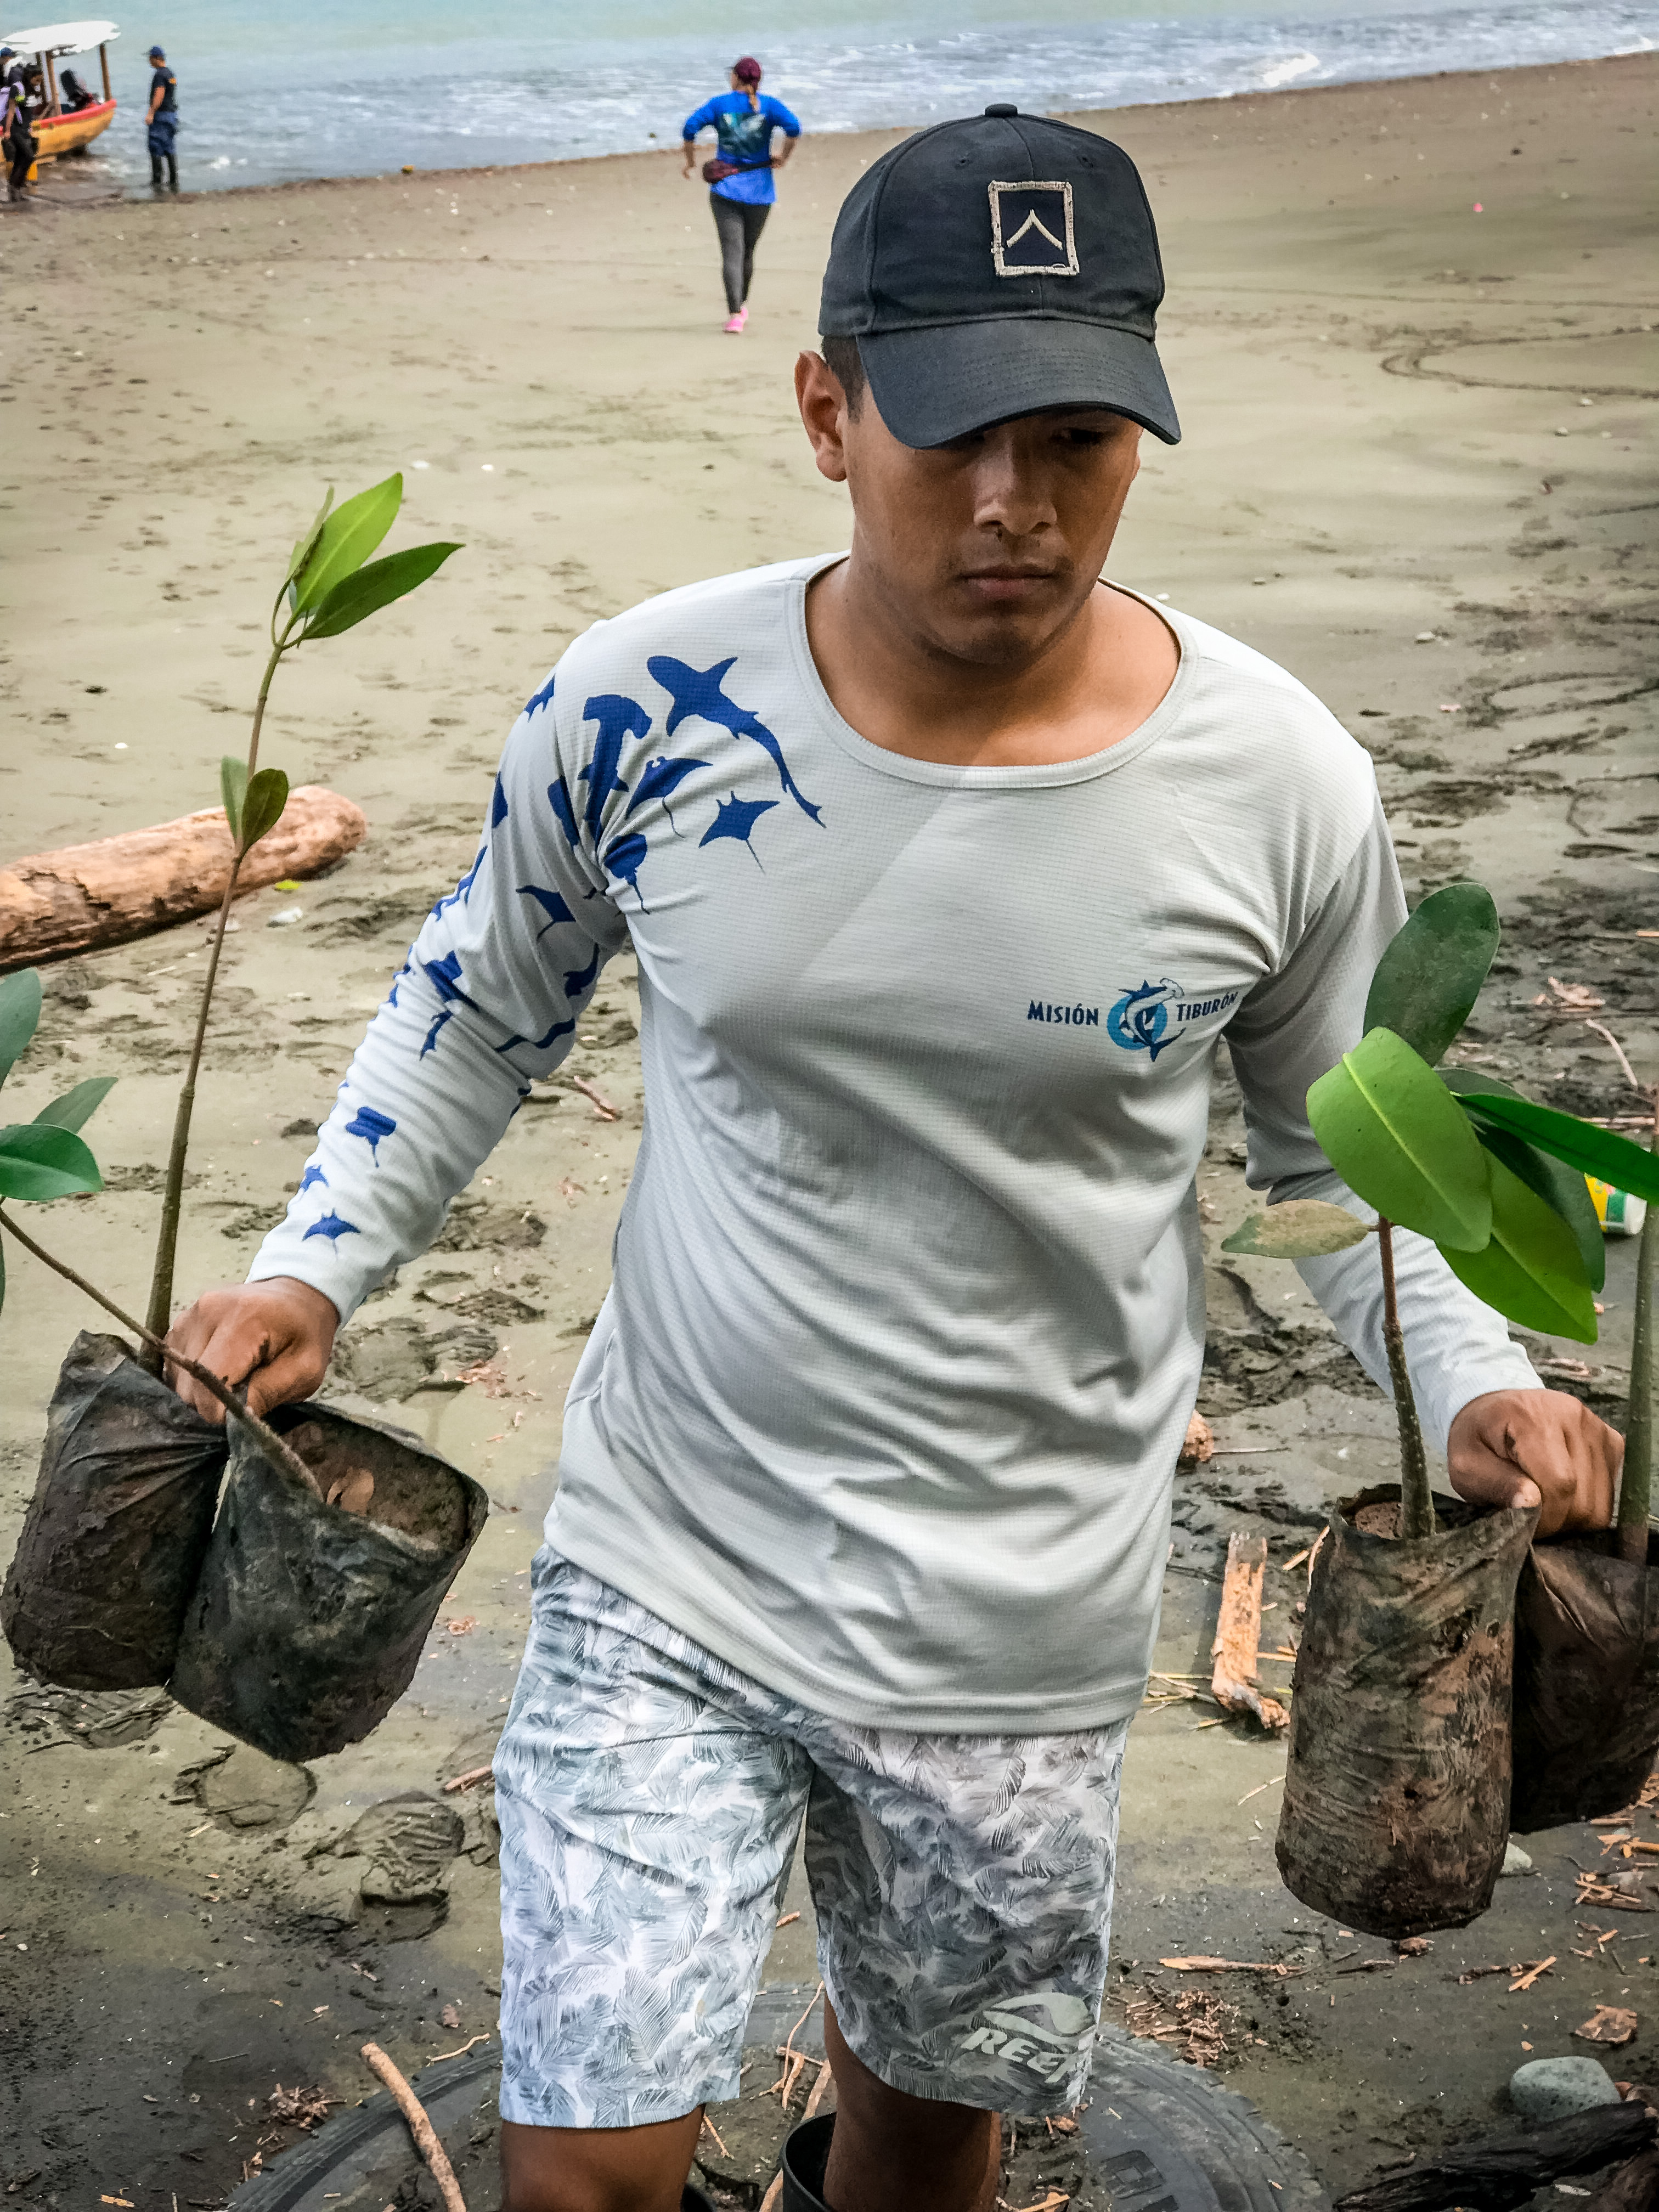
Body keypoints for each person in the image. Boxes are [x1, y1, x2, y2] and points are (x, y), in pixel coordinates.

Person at [163, 104, 1623, 2212]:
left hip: (1018, 1617)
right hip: (670, 1554)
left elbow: (1333, 1146)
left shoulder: (1275, 777)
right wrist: (312, 1265)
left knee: (921, 2138)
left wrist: (1473, 1373)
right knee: (589, 2166)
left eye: (1076, 438)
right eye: (949, 436)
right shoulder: (643, 705)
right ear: (823, 410)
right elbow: (477, 1001)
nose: (1014, 508)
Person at [680, 56, 800, 334]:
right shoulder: (769, 106)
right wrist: (783, 157)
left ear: (735, 77)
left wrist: (689, 162)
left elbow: (689, 129)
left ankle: (736, 313)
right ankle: (741, 306)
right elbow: (794, 129)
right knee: (747, 252)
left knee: (731, 254)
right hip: (760, 191)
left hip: (725, 190)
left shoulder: (720, 104)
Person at [2, 47, 34, 205]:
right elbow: (12, 107)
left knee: (23, 156)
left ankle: (15, 190)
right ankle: (14, 188)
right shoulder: (16, 79)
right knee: (27, 155)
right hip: (13, 123)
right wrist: (7, 129)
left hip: (18, 123)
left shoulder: (13, 74)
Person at [145, 43, 177, 191]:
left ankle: (157, 181)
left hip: (161, 116)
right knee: (169, 147)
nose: (149, 61)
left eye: (151, 58)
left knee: (156, 146)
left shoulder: (160, 75)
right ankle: (173, 181)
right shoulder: (170, 74)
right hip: (171, 115)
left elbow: (159, 95)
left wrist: (151, 113)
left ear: (158, 58)